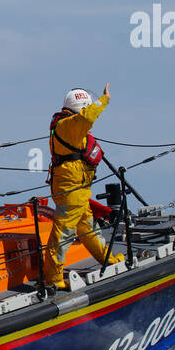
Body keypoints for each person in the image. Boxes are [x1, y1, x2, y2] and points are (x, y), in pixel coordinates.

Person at [43, 84, 124, 290]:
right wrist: (104, 99)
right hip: (72, 188)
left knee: (88, 228)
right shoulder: (71, 124)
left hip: (76, 187)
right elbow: (88, 117)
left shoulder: (64, 125)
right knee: (64, 232)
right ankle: (54, 278)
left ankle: (108, 259)